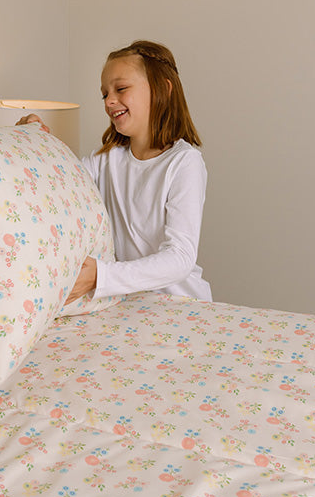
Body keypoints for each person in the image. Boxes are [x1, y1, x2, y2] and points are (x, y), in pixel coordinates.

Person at [18, 40, 211, 304]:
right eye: (104, 94)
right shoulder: (105, 161)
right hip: (129, 306)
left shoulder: (184, 162)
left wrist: (101, 275)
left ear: (163, 90)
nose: (109, 101)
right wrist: (34, 139)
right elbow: (57, 181)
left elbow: (180, 258)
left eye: (121, 89)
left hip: (182, 303)